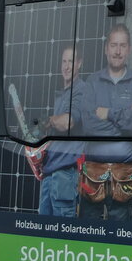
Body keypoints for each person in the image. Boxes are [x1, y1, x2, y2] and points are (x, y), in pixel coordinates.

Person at [77, 24, 132, 221]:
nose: (117, 51)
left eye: (122, 46)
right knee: (86, 238)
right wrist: (128, 114)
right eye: (113, 45)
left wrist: (108, 113)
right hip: (92, 177)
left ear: (129, 50)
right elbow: (89, 125)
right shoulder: (92, 81)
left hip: (124, 178)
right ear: (106, 48)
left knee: (122, 240)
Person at [37, 46, 85, 218]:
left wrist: (49, 121)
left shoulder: (81, 90)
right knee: (44, 232)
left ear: (79, 64)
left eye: (71, 61)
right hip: (50, 172)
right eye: (64, 61)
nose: (66, 66)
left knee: (62, 232)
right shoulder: (62, 94)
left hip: (65, 173)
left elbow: (68, 122)